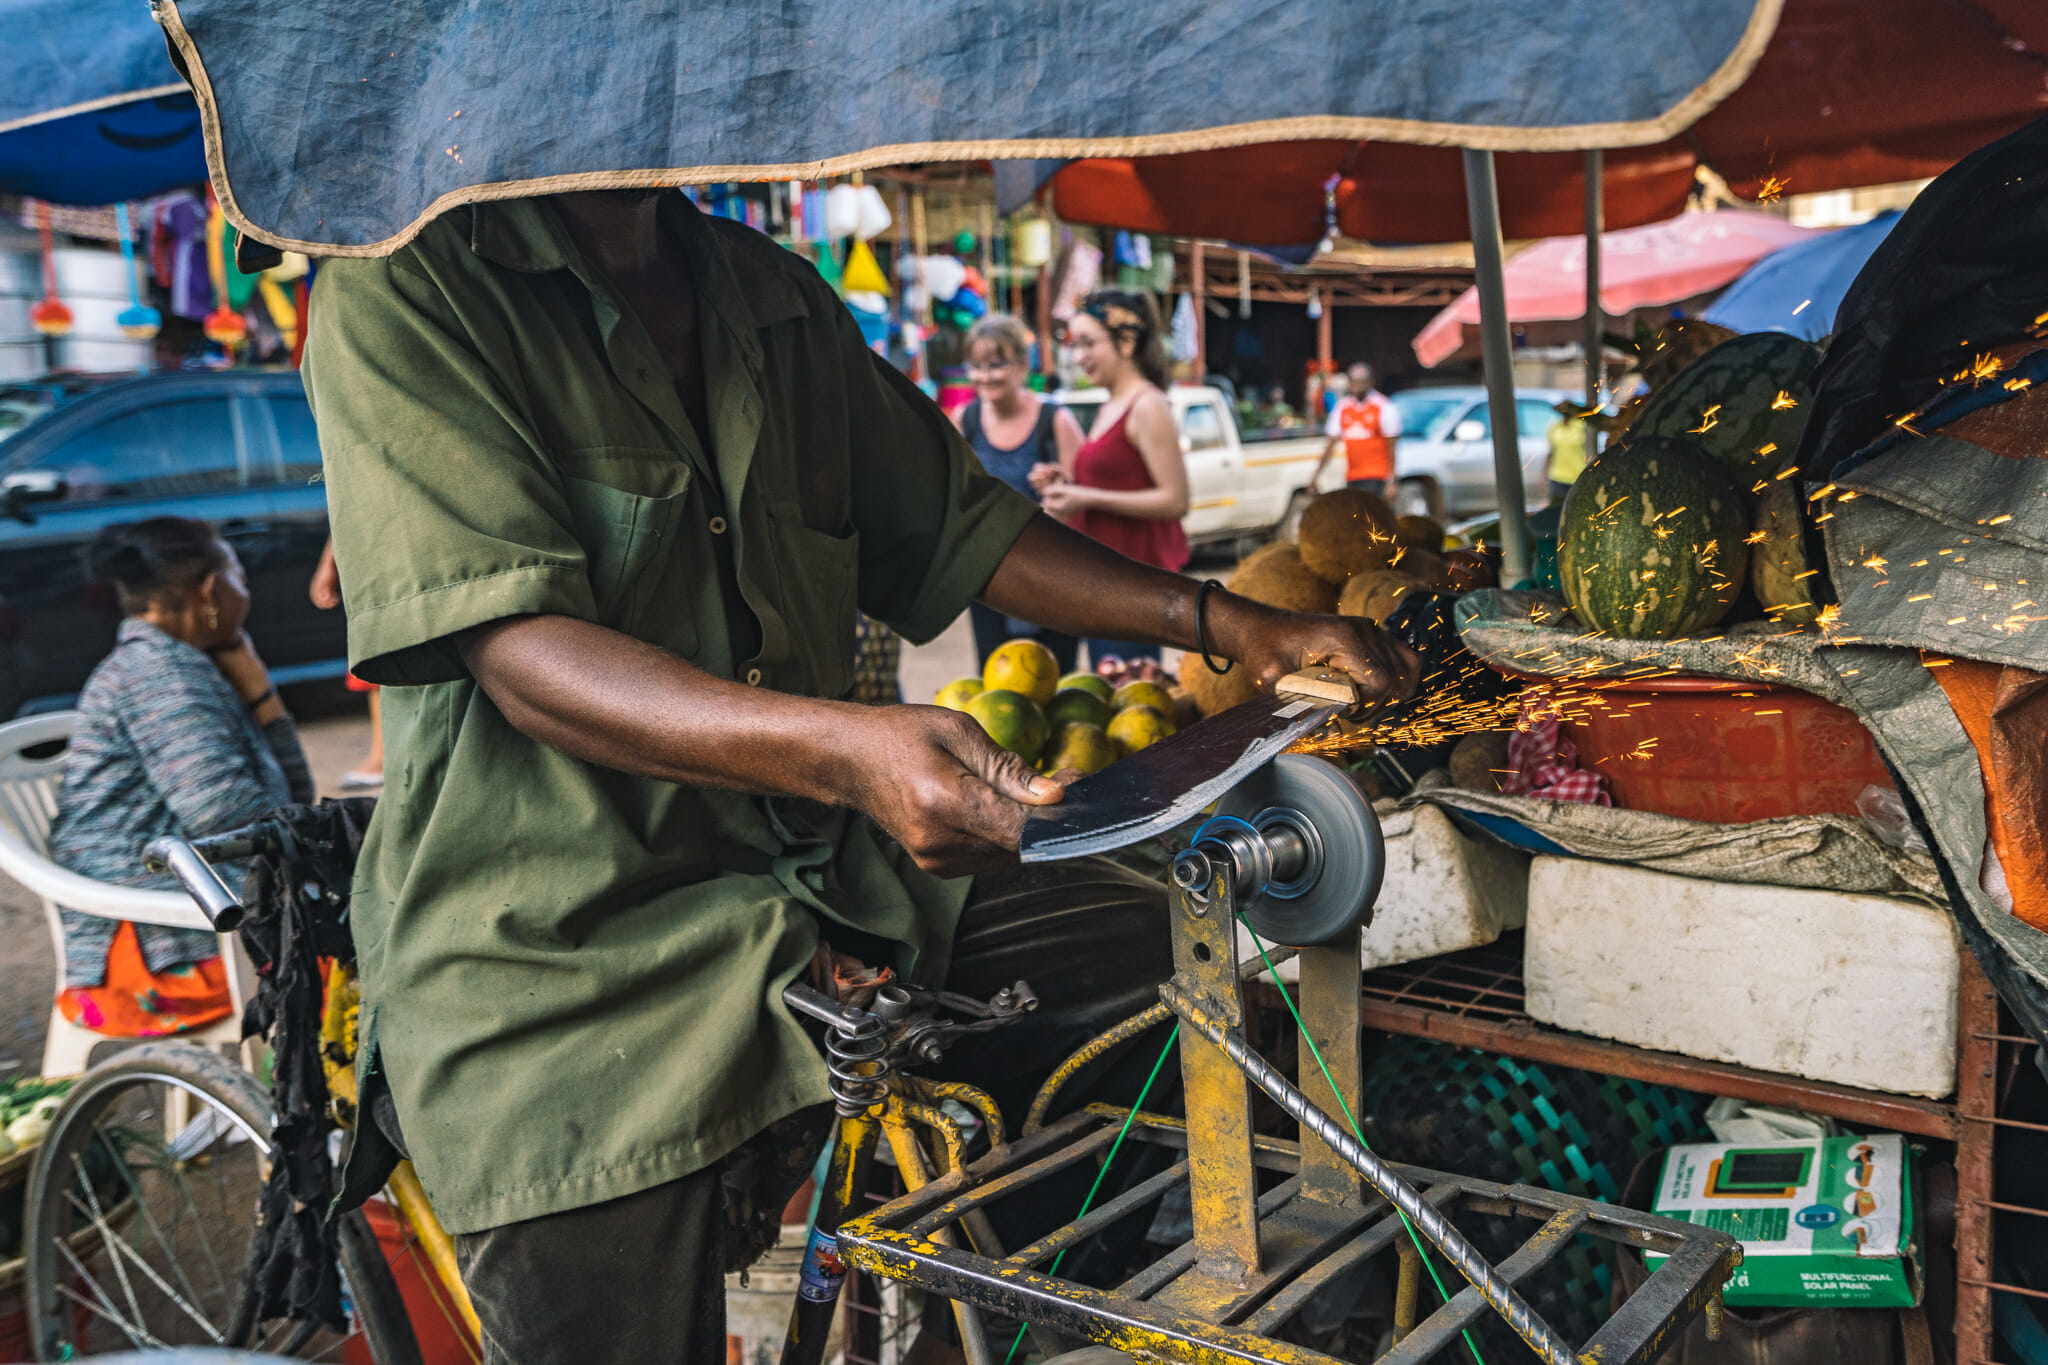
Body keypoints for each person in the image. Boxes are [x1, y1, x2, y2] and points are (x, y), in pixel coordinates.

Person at [301, 189, 1418, 1364]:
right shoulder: (407, 284)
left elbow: (963, 529)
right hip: (561, 950)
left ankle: (993, 1328)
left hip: (826, 878)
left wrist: (1225, 620)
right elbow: (523, 653)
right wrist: (849, 750)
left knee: (1158, 971)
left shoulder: (765, 295)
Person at [48, 517, 314, 1038]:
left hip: (188, 917)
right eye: (238, 576)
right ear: (212, 589)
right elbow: (226, 812)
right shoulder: (160, 676)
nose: (244, 591)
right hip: (157, 952)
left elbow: (292, 801)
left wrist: (260, 693)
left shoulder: (174, 663)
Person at [1032, 288, 1190, 667]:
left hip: (1132, 588)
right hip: (1103, 582)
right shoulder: (1110, 404)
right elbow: (1117, 480)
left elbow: (1176, 499)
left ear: (1127, 342)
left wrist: (1086, 498)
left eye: (1088, 343)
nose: (1079, 356)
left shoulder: (1147, 405)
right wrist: (1067, 483)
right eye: (1074, 344)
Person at [950, 313, 1084, 674]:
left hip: (1052, 578)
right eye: (976, 366)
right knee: (997, 678)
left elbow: (1082, 502)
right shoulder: (967, 419)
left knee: (1055, 679)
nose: (984, 376)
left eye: (996, 364)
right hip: (990, 580)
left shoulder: (1055, 420)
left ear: (1022, 365)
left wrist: (1059, 486)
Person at [309, 537, 384, 788]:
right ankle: (382, 757)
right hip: (374, 557)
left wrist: (328, 563)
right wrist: (328, 562)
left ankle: (382, 758)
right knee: (379, 660)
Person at [1322, 361, 1404, 497]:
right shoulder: (1343, 407)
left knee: (1372, 517)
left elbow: (1392, 448)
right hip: (1353, 476)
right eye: (1353, 381)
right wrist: (1316, 475)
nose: (1357, 386)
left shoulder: (1383, 407)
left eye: (1361, 381)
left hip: (1377, 477)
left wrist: (1392, 481)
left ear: (1370, 382)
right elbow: (1330, 444)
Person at [1546, 399, 1593, 506]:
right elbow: (1551, 452)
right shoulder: (1555, 427)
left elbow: (1589, 450)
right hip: (1557, 476)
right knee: (1557, 509)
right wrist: (1544, 474)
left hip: (1577, 476)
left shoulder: (1580, 426)